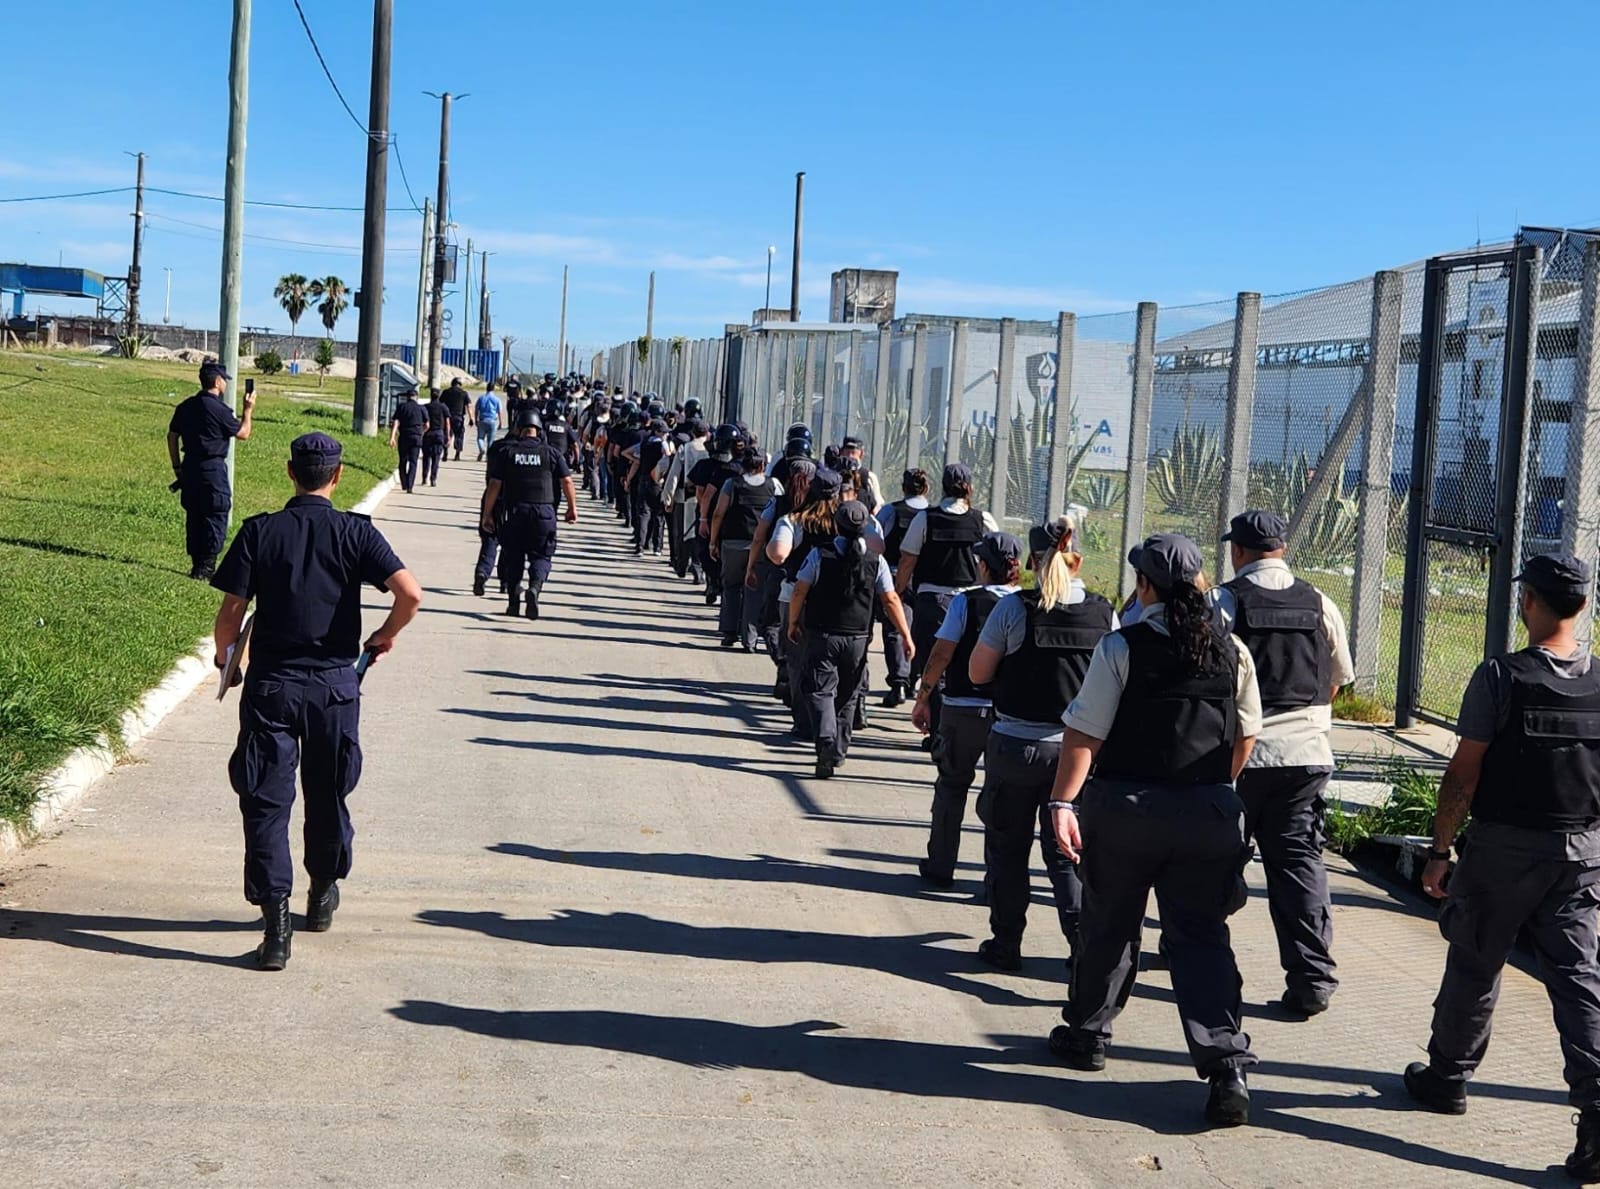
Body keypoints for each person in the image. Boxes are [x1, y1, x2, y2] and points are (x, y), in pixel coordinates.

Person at [1045, 532, 1262, 1128]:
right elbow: (1246, 736)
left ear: (1144, 586)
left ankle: (1088, 1034)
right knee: (1200, 937)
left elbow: (1083, 736)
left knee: (1110, 923)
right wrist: (1216, 789)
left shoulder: (1122, 647)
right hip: (1208, 816)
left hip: (1126, 812)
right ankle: (1226, 1066)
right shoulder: (1232, 650)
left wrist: (1063, 803)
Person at [1401, 552, 1600, 1181]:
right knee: (1578, 979)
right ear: (1585, 606)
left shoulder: (1500, 677)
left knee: (1476, 959)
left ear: (1529, 603)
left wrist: (1440, 850)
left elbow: (1465, 771)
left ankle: (1448, 1078)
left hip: (1504, 850)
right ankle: (1596, 1113)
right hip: (1582, 854)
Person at [210, 432, 422, 970]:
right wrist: (383, 636)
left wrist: (224, 658)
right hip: (333, 688)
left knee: (265, 802)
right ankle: (321, 891)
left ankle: (275, 925)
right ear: (338, 475)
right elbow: (411, 594)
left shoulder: (261, 531)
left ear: (290, 472)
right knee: (328, 794)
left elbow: (233, 611)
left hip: (272, 687)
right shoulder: (356, 532)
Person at [1215, 510, 1353, 1017]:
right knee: (1298, 866)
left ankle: (1195, 950)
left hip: (1238, 757)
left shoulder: (1225, 601)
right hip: (1306, 757)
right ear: (1282, 548)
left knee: (1214, 856)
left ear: (1239, 551)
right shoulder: (1320, 602)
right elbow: (1338, 677)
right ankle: (1312, 978)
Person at [965, 518, 1114, 965]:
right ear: (1078, 559)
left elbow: (977, 673)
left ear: (1031, 562)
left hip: (1013, 745)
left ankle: (1006, 942)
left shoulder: (1014, 610)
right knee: (1066, 855)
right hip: (1077, 753)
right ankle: (1080, 946)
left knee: (1008, 850)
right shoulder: (1105, 613)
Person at [910, 531, 1022, 889]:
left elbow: (942, 653)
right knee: (999, 796)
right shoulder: (1025, 605)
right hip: (1006, 714)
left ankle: (941, 864)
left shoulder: (966, 602)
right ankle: (995, 879)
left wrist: (924, 695)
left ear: (985, 566)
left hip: (962, 708)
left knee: (951, 786)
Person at [789, 501, 914, 779]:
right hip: (857, 637)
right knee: (848, 694)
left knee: (821, 690)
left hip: (823, 633)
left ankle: (824, 741)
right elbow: (890, 599)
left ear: (837, 524)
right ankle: (838, 750)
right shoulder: (875, 560)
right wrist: (905, 634)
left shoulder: (820, 555)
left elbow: (799, 590)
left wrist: (794, 621)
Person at [896, 462, 998, 716]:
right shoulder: (981, 520)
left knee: (933, 662)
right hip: (972, 602)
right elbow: (1000, 553)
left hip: (932, 601)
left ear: (942, 486)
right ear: (969, 488)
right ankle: (956, 721)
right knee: (965, 662)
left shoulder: (925, 518)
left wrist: (898, 591)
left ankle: (936, 727)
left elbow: (908, 559)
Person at [481, 410, 578, 620]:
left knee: (514, 557)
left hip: (515, 512)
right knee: (542, 556)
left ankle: (513, 602)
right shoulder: (551, 452)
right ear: (539, 430)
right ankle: (534, 588)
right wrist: (572, 508)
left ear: (518, 429)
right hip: (544, 513)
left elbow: (494, 485)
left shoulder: (508, 452)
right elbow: (567, 481)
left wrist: (487, 514)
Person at [768, 468, 841, 736]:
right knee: (829, 662)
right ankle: (829, 721)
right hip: (837, 601)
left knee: (798, 661)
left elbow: (777, 554)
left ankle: (803, 720)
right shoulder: (848, 521)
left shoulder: (794, 520)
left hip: (795, 596)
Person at [167, 361, 255, 579]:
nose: (225, 383)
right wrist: (248, 410)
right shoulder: (220, 410)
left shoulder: (185, 406)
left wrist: (177, 466)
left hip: (190, 467)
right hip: (212, 469)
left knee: (194, 515)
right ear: (217, 382)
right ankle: (206, 568)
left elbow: (172, 436)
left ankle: (197, 564)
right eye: (224, 379)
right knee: (215, 514)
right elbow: (243, 433)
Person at [710, 446, 776, 650]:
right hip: (760, 545)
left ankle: (729, 632)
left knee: (730, 586)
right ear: (763, 464)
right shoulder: (773, 485)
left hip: (732, 542)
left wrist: (713, 541)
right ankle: (750, 639)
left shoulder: (732, 484)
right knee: (754, 591)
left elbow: (719, 513)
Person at [875, 468, 930, 706]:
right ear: (926, 489)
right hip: (925, 579)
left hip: (896, 574)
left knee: (896, 629)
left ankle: (898, 681)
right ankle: (914, 677)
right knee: (920, 628)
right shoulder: (932, 514)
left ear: (903, 487)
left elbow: (875, 539)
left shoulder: (891, 511)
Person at [663, 419, 710, 584]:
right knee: (700, 533)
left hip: (685, 496)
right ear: (707, 433)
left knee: (682, 532)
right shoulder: (711, 449)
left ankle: (681, 563)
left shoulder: (685, 448)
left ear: (692, 433)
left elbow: (674, 474)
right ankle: (698, 568)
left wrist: (668, 497)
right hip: (706, 498)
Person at [625, 417, 670, 556]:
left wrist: (629, 479)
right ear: (657, 432)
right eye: (663, 432)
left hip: (643, 480)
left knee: (643, 513)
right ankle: (657, 546)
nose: (665, 434)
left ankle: (640, 545)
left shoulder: (644, 444)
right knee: (658, 514)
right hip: (657, 481)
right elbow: (668, 457)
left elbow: (634, 459)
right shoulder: (662, 445)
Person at [388, 384, 427, 494]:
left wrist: (392, 437)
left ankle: (404, 483)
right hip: (416, 437)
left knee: (403, 461)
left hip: (404, 436)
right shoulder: (421, 408)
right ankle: (410, 486)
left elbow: (396, 422)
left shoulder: (402, 407)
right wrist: (421, 433)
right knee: (413, 462)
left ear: (407, 397)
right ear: (416, 397)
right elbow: (427, 424)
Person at [839, 435, 884, 512]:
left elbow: (878, 505)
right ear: (842, 453)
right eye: (847, 452)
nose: (850, 456)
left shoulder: (869, 477)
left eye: (853, 452)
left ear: (861, 454)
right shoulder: (836, 475)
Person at [420, 388, 450, 488]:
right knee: (436, 458)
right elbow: (447, 423)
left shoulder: (426, 407)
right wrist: (448, 436)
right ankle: (433, 479)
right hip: (439, 434)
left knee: (426, 457)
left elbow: (422, 422)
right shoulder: (443, 407)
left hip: (428, 435)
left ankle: (424, 478)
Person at [441, 376, 471, 461]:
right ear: (460, 384)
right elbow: (469, 406)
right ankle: (457, 454)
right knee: (459, 436)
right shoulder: (464, 393)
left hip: (448, 417)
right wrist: (471, 419)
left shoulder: (446, 392)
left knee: (447, 434)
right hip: (459, 418)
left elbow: (441, 404)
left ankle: (445, 452)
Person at [474, 382, 502, 462]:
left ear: (486, 388)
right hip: (492, 421)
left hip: (482, 420)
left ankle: (481, 449)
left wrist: (476, 419)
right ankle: (488, 457)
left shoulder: (481, 398)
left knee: (480, 438)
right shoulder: (497, 399)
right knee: (491, 440)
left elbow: (476, 409)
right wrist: (500, 422)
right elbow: (499, 411)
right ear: (493, 389)